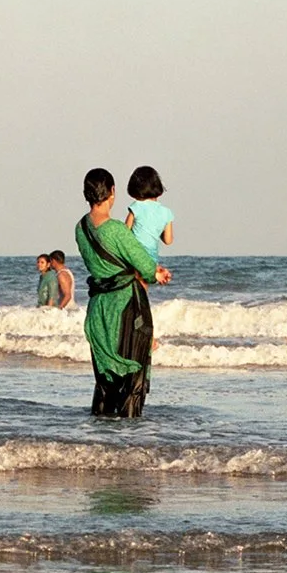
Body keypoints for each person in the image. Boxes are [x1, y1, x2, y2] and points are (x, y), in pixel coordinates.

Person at [73, 166, 169, 416]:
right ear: (112, 192)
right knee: (132, 381)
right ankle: (128, 444)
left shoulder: (81, 228)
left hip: (98, 310)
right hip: (126, 309)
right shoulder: (114, 229)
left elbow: (109, 264)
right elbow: (145, 266)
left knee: (105, 382)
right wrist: (157, 273)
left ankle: (103, 441)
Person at [126, 165, 174, 259]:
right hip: (152, 260)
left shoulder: (136, 207)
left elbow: (125, 232)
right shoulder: (166, 213)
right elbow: (168, 240)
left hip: (134, 257)